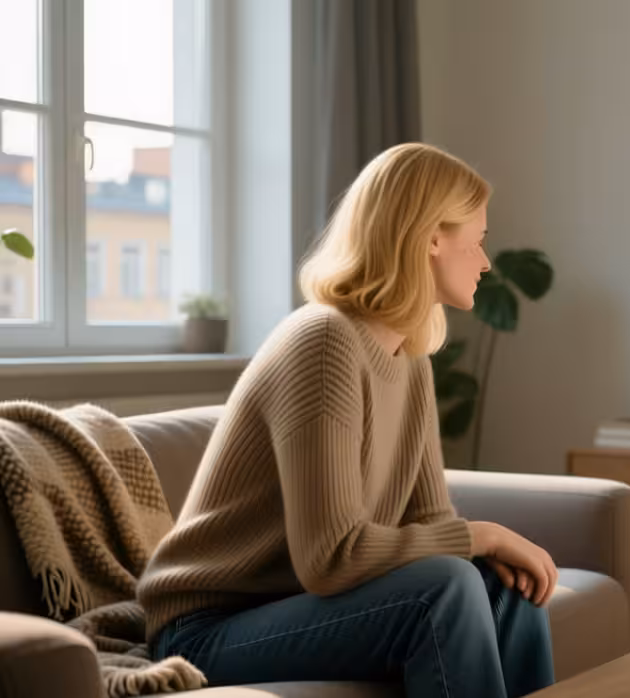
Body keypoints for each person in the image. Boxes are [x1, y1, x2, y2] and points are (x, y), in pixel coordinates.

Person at [138, 143, 557, 698]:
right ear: (432, 237)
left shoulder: (409, 359)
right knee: (450, 586)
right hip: (206, 629)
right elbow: (331, 559)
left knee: (506, 589)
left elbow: (429, 520)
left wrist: (477, 545)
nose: (484, 261)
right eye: (476, 242)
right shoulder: (324, 341)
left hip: (295, 608)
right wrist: (485, 534)